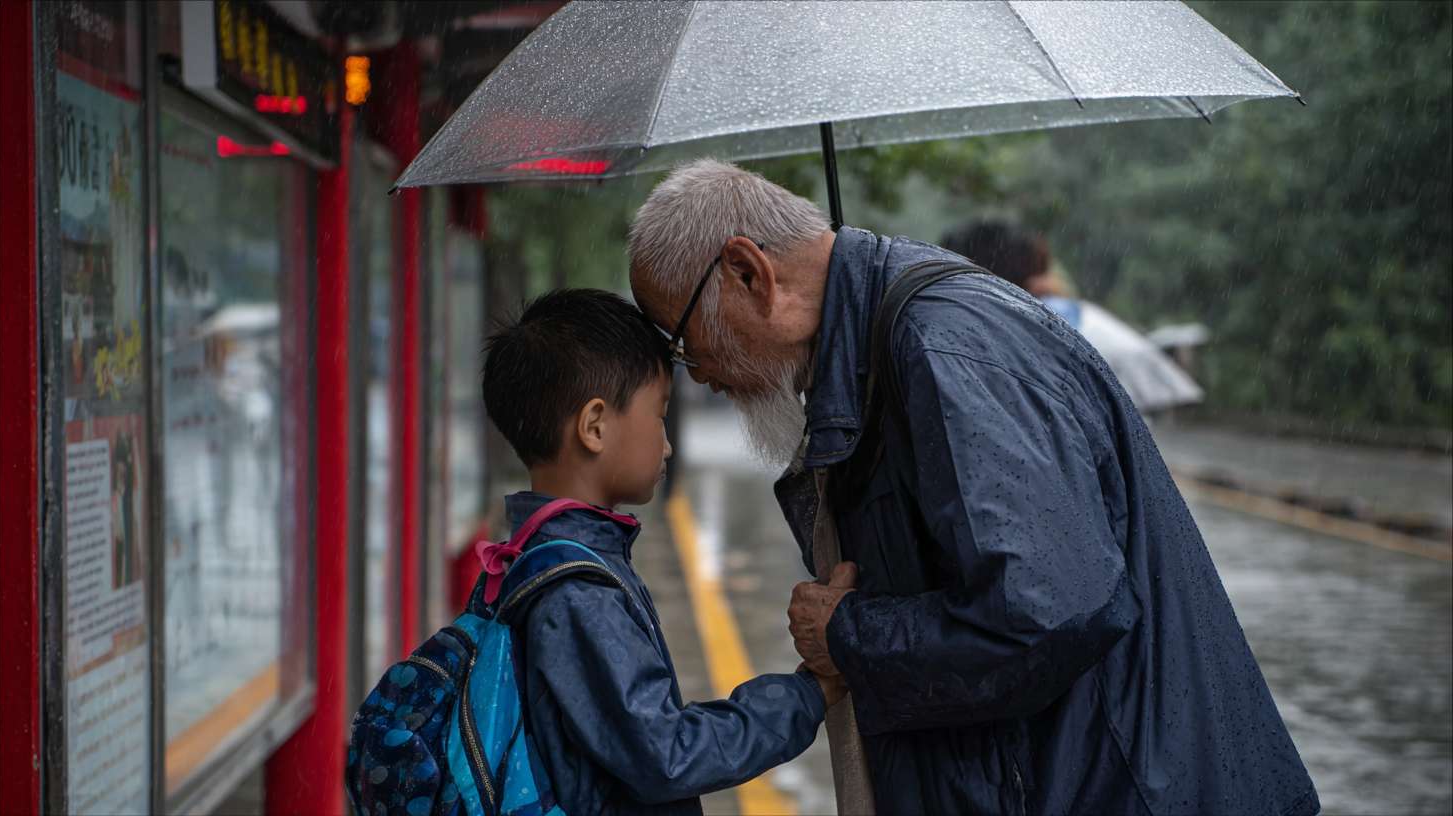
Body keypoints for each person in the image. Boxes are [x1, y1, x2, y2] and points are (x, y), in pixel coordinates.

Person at [627, 159, 1319, 816]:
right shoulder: (884, 344)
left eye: (683, 341)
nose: (697, 373)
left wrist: (847, 633)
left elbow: (1047, 613)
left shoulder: (943, 348)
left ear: (749, 273)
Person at [481, 288, 844, 815]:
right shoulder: (577, 592)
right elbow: (667, 754)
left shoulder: (535, 555)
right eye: (660, 414)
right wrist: (807, 694)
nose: (668, 444)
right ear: (595, 426)